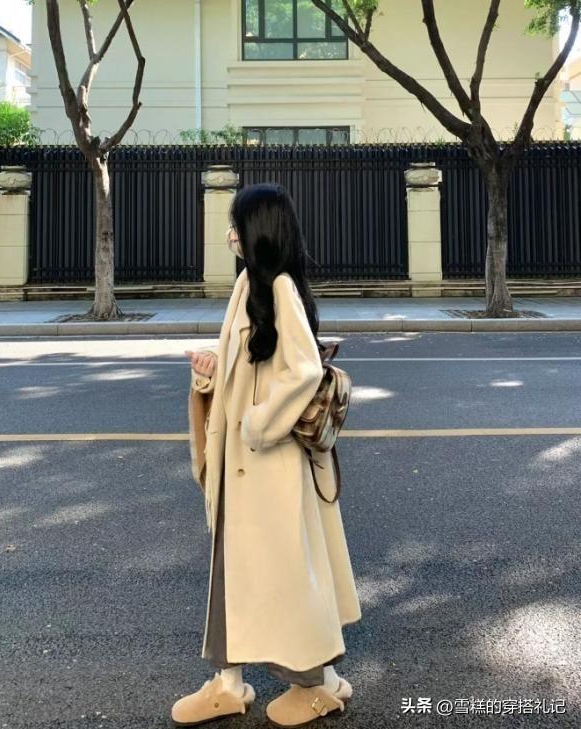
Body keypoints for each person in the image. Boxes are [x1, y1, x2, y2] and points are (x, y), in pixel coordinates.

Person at [174, 183, 362, 727]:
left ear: (258, 231)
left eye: (237, 224)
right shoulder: (248, 284)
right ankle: (228, 683)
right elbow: (252, 367)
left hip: (269, 469)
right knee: (230, 575)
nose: (229, 234)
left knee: (285, 580)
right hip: (240, 468)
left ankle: (318, 684)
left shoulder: (279, 288)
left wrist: (258, 424)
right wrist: (211, 374)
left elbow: (302, 371)